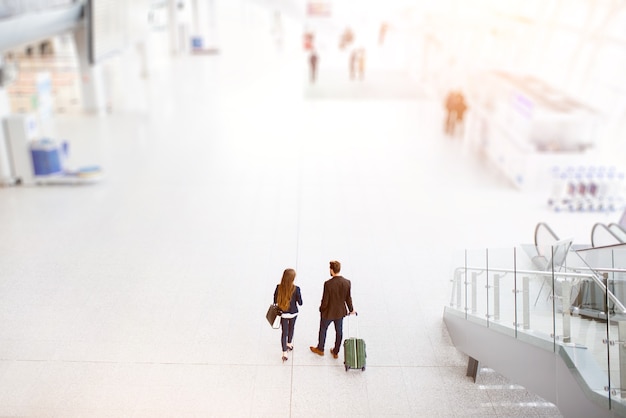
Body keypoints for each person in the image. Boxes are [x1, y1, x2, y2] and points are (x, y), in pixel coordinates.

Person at [310, 260, 356, 359]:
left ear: (331, 270)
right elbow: (348, 298)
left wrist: (321, 309)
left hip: (328, 313)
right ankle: (336, 351)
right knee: (339, 332)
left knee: (323, 329)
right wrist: (351, 309)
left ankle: (320, 349)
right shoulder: (347, 282)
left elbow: (325, 301)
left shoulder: (328, 284)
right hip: (340, 312)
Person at [274, 268, 302, 362]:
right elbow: (300, 302)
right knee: (292, 328)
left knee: (284, 332)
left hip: (284, 314)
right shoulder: (296, 289)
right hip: (293, 313)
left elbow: (275, 301)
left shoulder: (278, 287)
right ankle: (289, 343)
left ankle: (284, 352)